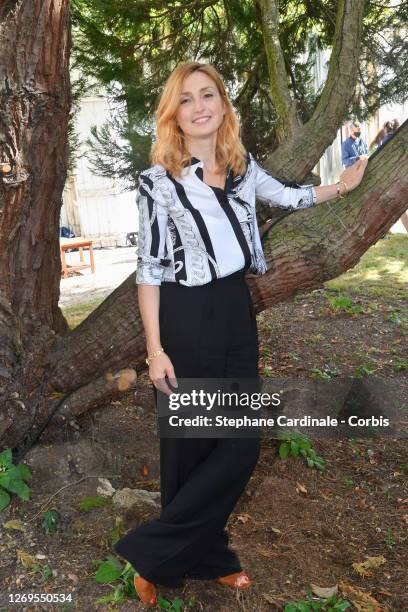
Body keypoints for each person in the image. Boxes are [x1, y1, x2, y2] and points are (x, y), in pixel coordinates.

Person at [114, 62, 368, 607]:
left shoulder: (241, 166)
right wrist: (155, 349)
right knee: (191, 444)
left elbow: (292, 197)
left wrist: (343, 186)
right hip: (184, 312)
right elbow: (149, 271)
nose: (200, 105)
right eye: (187, 99)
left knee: (240, 443)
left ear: (223, 106)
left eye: (209, 95)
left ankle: (163, 550)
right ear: (174, 114)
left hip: (234, 307)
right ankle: (195, 556)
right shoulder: (158, 183)